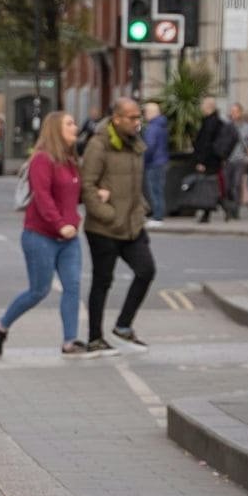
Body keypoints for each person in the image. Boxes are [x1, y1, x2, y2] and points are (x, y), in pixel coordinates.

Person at [0, 111, 86, 357]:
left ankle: (69, 342)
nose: (75, 127)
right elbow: (42, 198)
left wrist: (76, 218)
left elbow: (75, 197)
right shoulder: (41, 160)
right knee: (39, 291)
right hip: (40, 236)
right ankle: (1, 325)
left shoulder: (71, 160)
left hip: (69, 238)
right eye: (70, 123)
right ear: (55, 129)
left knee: (73, 287)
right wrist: (59, 224)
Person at [81, 97, 155, 354]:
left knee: (146, 270)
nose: (137, 122)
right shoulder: (99, 145)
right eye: (132, 117)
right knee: (102, 281)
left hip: (132, 224)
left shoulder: (135, 143)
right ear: (117, 118)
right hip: (104, 227)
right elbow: (87, 185)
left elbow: (135, 183)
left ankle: (123, 326)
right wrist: (107, 213)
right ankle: (94, 338)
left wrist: (142, 207)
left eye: (139, 117)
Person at [191, 96, 230, 223]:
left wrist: (201, 161)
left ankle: (209, 213)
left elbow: (205, 143)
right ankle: (224, 208)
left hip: (209, 160)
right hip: (214, 159)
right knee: (212, 186)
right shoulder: (216, 121)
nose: (201, 107)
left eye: (203, 105)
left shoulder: (210, 123)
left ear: (209, 107)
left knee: (209, 186)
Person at [141, 102, 170, 227]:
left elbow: (149, 147)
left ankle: (157, 217)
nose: (145, 115)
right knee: (158, 189)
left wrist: (144, 160)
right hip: (161, 161)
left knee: (154, 190)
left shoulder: (152, 127)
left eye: (146, 112)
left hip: (153, 163)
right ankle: (158, 215)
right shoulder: (162, 125)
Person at [225, 102, 248, 219]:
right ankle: (229, 208)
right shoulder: (227, 126)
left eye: (236, 111)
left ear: (241, 113)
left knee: (236, 185)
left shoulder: (247, 127)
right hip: (227, 159)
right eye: (232, 112)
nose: (234, 114)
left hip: (240, 160)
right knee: (227, 186)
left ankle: (235, 210)